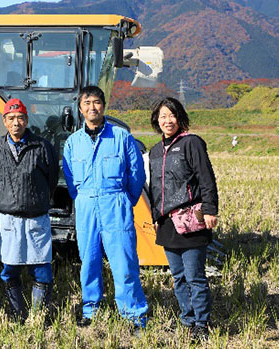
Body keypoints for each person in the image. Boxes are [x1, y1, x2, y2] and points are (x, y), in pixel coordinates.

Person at [62, 86, 148, 328]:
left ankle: (134, 315)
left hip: (115, 204)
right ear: (80, 109)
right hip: (86, 206)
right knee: (89, 261)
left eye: (97, 102)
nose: (92, 107)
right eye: (87, 103)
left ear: (104, 106)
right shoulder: (72, 143)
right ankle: (90, 310)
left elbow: (136, 175)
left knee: (124, 263)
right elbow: (70, 179)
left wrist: (123, 200)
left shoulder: (121, 137)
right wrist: (83, 199)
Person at [148, 97, 218, 341]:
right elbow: (155, 188)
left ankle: (201, 323)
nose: (168, 120)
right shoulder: (155, 151)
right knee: (178, 277)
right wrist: (156, 216)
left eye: (172, 115)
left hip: (191, 220)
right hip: (167, 223)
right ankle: (187, 319)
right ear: (156, 119)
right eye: (163, 116)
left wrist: (210, 209)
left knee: (195, 276)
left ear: (180, 118)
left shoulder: (191, 143)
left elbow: (206, 178)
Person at [0, 98, 59, 319]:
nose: (15, 122)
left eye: (20, 118)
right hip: (9, 219)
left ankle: (39, 315)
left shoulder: (42, 146)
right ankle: (16, 312)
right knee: (10, 269)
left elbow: (52, 179)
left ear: (27, 120)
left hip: (37, 217)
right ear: (4, 121)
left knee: (41, 268)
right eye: (11, 118)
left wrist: (37, 199)